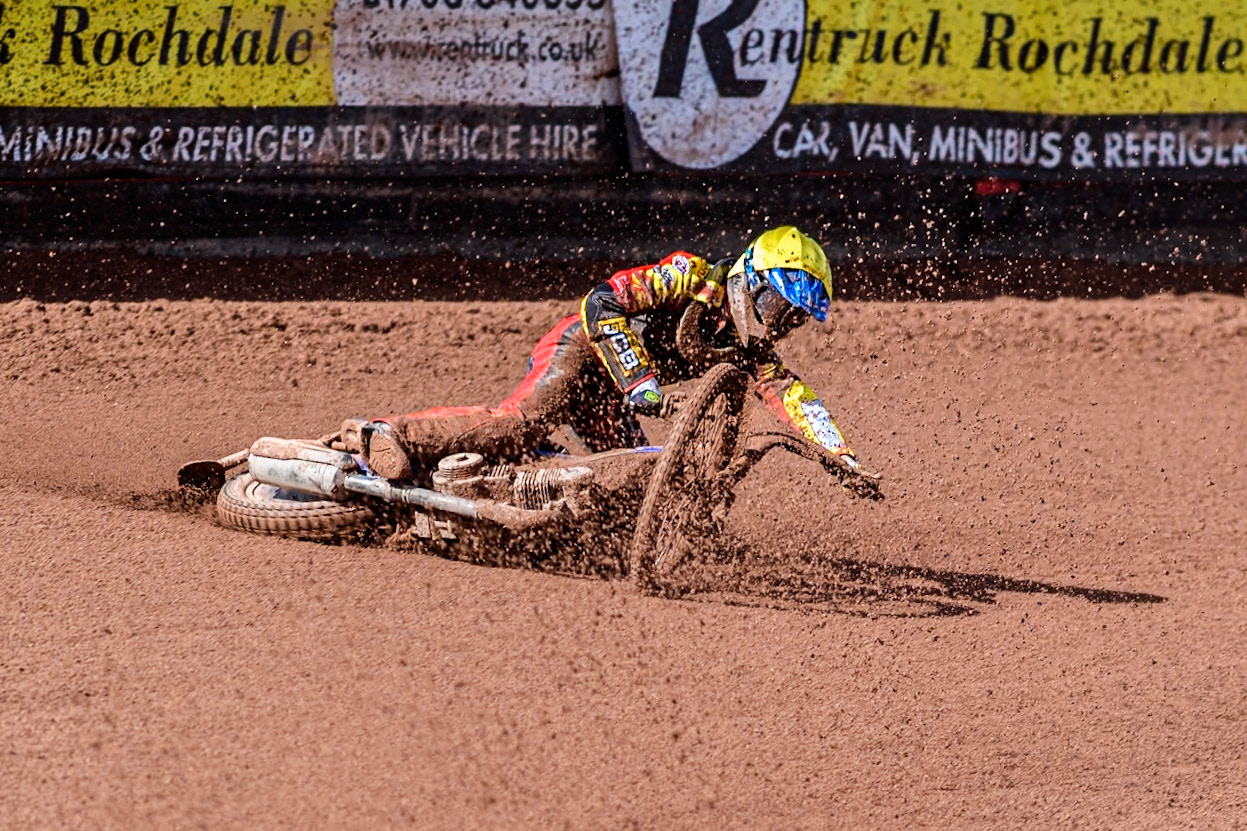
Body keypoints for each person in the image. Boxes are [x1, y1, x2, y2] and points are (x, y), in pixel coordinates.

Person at [352, 226, 860, 481]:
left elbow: (797, 400)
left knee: (634, 477)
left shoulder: (751, 352)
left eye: (792, 319)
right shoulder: (688, 275)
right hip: (579, 349)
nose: (777, 323)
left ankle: (534, 480)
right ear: (750, 279)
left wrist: (843, 459)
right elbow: (601, 301)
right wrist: (640, 381)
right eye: (776, 305)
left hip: (613, 398)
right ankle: (386, 434)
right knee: (523, 421)